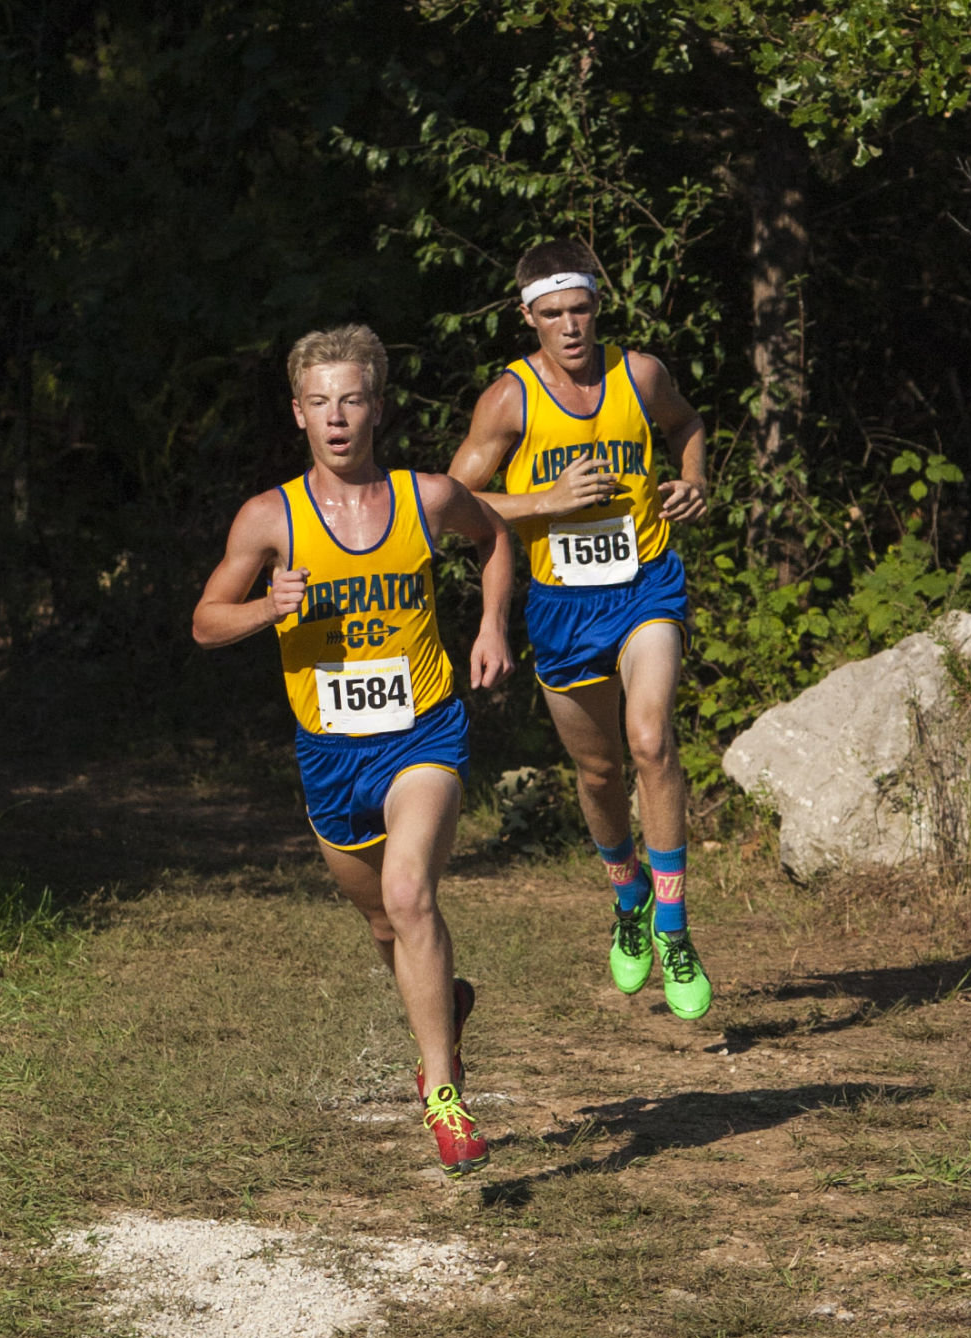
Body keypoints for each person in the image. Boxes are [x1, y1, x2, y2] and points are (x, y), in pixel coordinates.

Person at [193, 324, 515, 1174]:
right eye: (320, 402)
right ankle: (441, 1003)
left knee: (411, 894)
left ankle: (443, 1095)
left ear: (378, 406)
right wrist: (268, 607)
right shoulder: (271, 518)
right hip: (331, 753)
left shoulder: (429, 498)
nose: (338, 418)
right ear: (297, 414)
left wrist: (489, 627)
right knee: (383, 918)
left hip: (423, 731)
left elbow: (495, 538)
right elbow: (204, 622)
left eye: (353, 399)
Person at [448, 241, 713, 1019]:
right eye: (552, 313)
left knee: (651, 738)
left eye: (581, 310)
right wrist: (547, 502)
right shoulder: (509, 401)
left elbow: (688, 423)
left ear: (599, 307)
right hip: (563, 607)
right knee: (599, 775)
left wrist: (694, 479)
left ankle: (672, 924)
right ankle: (626, 893)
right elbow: (449, 505)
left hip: (645, 584)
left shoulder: (641, 375)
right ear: (527, 316)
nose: (570, 327)